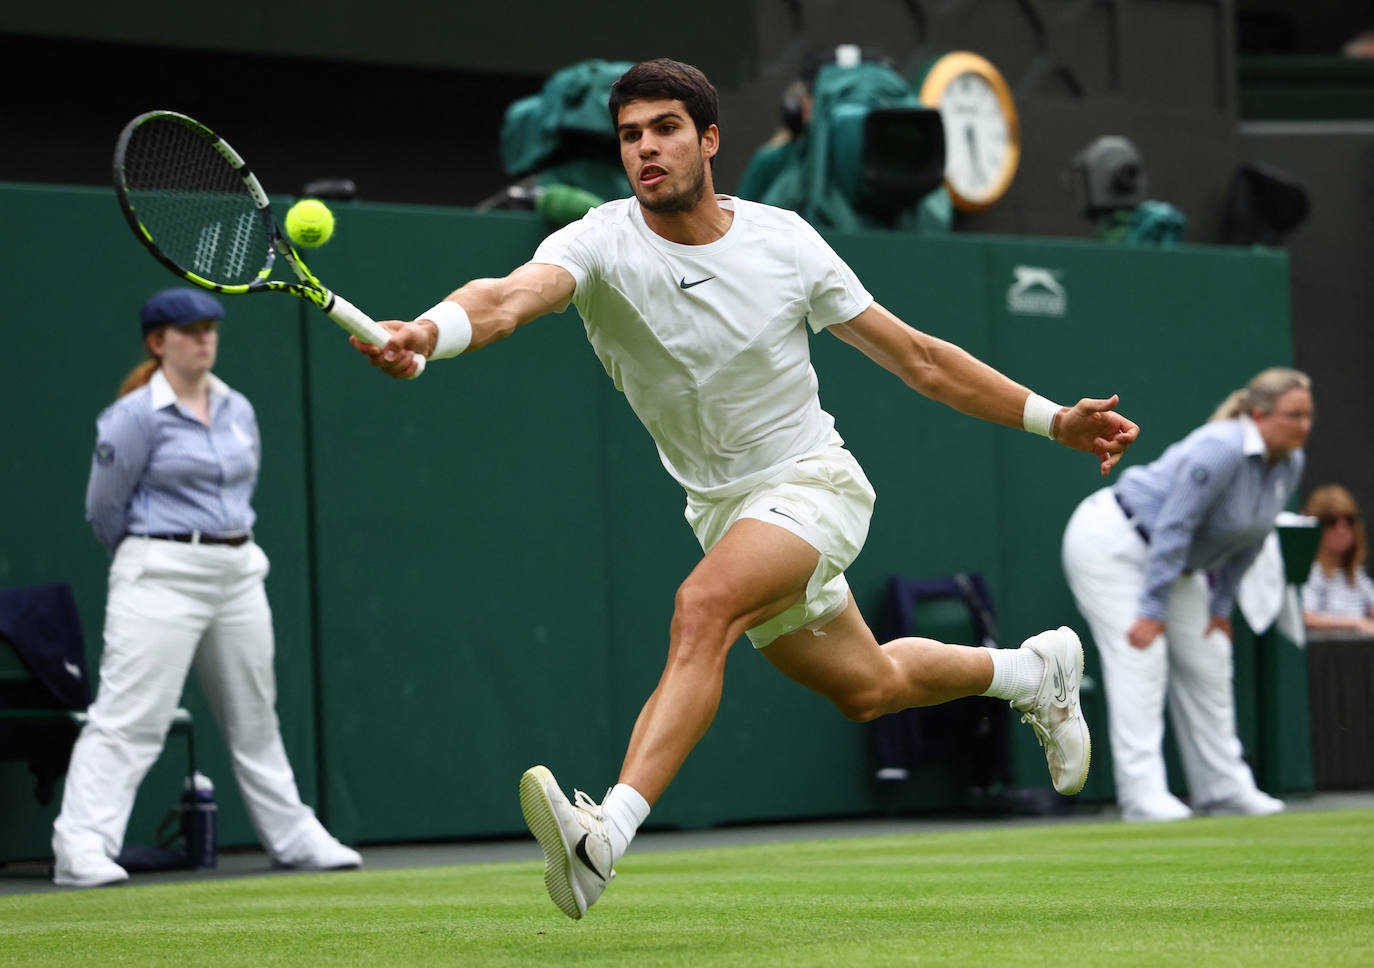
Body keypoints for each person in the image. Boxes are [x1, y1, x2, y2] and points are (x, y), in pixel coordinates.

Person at [353, 58, 1139, 919]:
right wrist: (432, 330)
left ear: (709, 139)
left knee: (702, 610)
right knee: (867, 686)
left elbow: (918, 358)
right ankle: (1032, 671)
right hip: (722, 509)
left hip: (814, 483)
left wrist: (1054, 418)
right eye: (629, 136)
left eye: (664, 129)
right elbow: (508, 297)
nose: (644, 149)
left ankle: (602, 839)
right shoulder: (597, 240)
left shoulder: (785, 240)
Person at [52, 288, 362, 887]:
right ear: (157, 341)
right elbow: (103, 509)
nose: (203, 338)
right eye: (188, 329)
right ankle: (81, 846)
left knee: (255, 716)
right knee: (130, 718)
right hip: (159, 571)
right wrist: (155, 554)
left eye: (209, 327)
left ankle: (294, 835)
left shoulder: (237, 408)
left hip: (238, 573)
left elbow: (241, 493)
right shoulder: (134, 415)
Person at [1062, 367, 1312, 823]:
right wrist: (1153, 609)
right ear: (1259, 413)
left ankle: (1224, 788)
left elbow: (1252, 537)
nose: (1303, 426)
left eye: (1308, 416)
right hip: (1111, 542)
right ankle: (1143, 796)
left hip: (1173, 563)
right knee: (1143, 657)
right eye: (1294, 415)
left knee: (1209, 655)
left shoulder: (1290, 462)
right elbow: (1175, 526)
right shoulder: (1220, 447)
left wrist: (1220, 608)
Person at [1300, 484, 1374, 634]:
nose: (1341, 529)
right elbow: (1305, 617)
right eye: (1331, 522)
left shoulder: (1356, 575)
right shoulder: (1310, 571)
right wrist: (1356, 623)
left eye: (1349, 521)